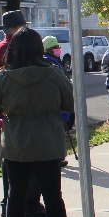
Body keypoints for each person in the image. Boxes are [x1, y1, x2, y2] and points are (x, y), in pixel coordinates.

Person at [0, 27, 85, 217]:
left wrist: (5, 108)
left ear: (13, 49)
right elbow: (71, 102)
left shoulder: (4, 77)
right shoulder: (53, 73)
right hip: (47, 142)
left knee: (15, 195)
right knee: (53, 197)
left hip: (15, 143)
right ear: (39, 48)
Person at [0, 10, 44, 217]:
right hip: (27, 115)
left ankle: (7, 203)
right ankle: (30, 204)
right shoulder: (24, 48)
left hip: (4, 115)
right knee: (34, 163)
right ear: (19, 27)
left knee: (8, 164)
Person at [42, 36, 74, 168]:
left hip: (54, 103)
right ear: (48, 49)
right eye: (55, 47)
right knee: (57, 132)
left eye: (58, 47)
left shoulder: (53, 60)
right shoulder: (50, 63)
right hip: (56, 104)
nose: (58, 49)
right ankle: (58, 157)